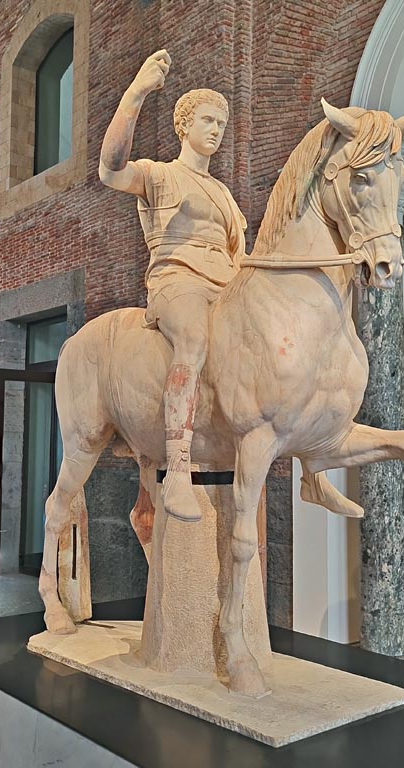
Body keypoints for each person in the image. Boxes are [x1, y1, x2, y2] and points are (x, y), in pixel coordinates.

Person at [98, 50, 246, 523]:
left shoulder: (224, 194)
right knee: (195, 340)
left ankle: (311, 467)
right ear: (184, 125)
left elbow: (239, 254)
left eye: (221, 123)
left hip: (223, 283)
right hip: (176, 279)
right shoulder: (162, 175)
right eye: (207, 119)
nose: (216, 130)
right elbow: (110, 169)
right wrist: (137, 92)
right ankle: (179, 468)